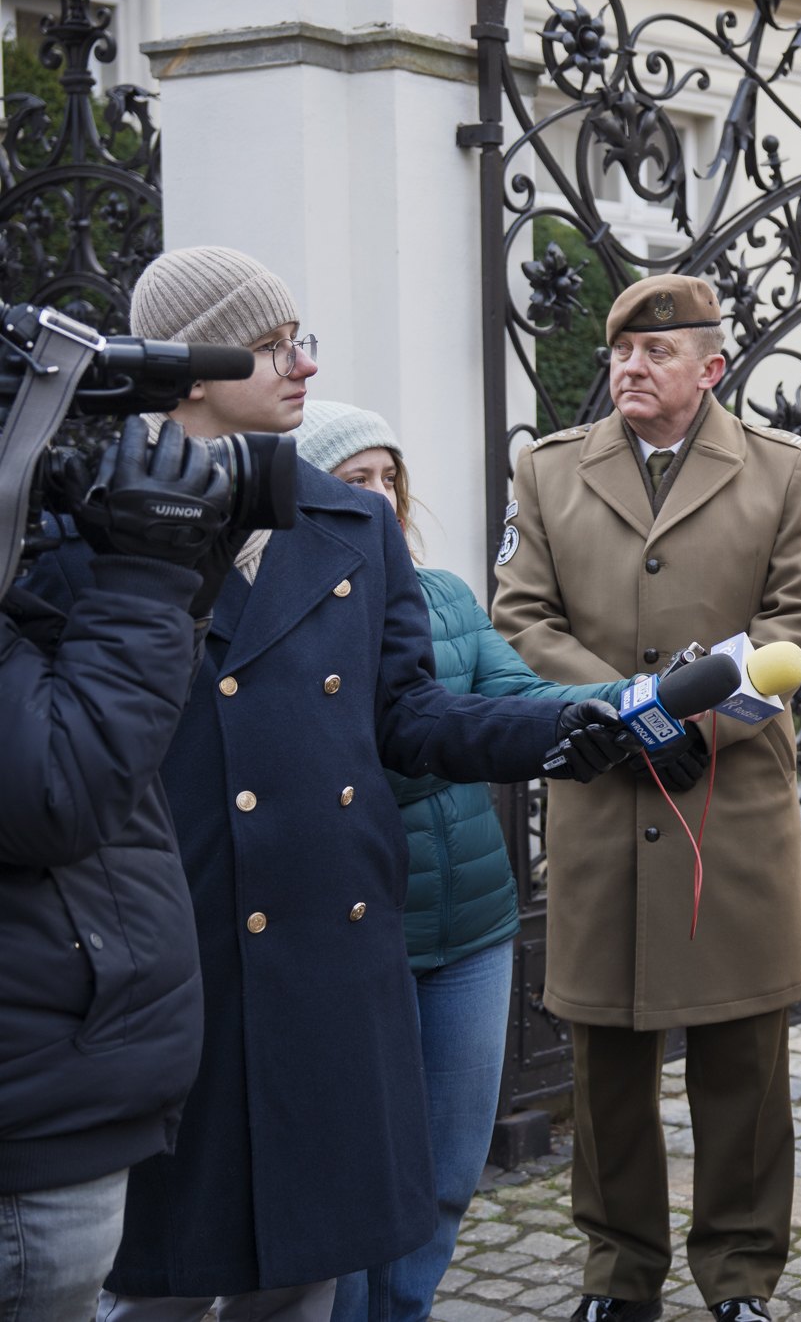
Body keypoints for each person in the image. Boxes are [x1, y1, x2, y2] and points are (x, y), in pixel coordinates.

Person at [21, 246, 634, 1322]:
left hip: (326, 959)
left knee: (303, 1274)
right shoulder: (82, 530)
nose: (304, 363)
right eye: (270, 346)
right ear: (192, 370)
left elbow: (408, 715)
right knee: (158, 1287)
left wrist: (556, 730)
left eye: (300, 338)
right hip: (179, 967)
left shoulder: (350, 521)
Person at [492, 273, 801, 1322]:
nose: (630, 369)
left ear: (711, 367)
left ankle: (740, 1278)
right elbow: (521, 617)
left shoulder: (780, 468)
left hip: (727, 801)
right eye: (621, 354)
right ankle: (617, 1275)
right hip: (604, 794)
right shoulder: (549, 470)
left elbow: (796, 624)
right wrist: (631, 713)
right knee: (606, 1060)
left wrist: (699, 722)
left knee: (742, 1060)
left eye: (657, 353)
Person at [292, 401, 631, 1322]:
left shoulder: (441, 594)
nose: (378, 497)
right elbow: (379, 747)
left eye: (388, 478)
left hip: (474, 927)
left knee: (447, 1172)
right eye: (353, 480)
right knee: (360, 1178)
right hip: (365, 930)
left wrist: (641, 698)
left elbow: (519, 694)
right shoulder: (293, 617)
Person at [0, 417, 240, 1320]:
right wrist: (143, 575)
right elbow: (60, 790)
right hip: (34, 1132)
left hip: (61, 1098)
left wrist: (177, 594)